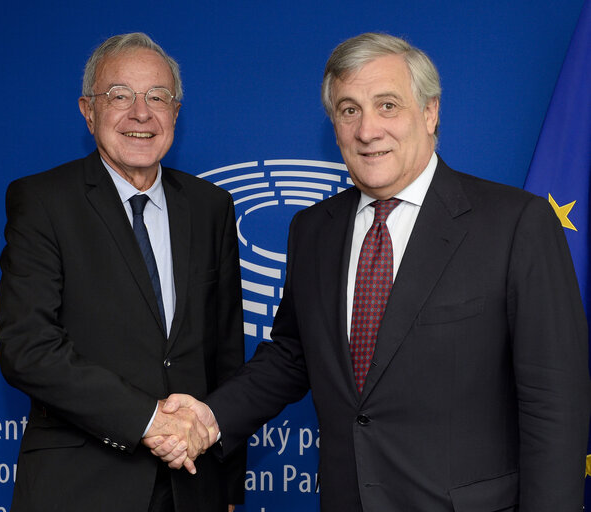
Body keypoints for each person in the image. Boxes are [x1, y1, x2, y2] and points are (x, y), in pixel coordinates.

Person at [147, 32, 590, 511]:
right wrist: (210, 414)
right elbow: (295, 354)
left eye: (387, 105)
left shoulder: (513, 223)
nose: (367, 130)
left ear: (430, 111)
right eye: (349, 109)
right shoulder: (313, 230)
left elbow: (554, 404)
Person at [0, 32, 245, 512]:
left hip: (194, 486)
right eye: (120, 96)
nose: (140, 113)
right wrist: (150, 420)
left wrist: (228, 486)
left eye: (157, 97)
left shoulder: (210, 206)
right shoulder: (44, 201)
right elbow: (27, 347)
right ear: (88, 111)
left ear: (175, 113)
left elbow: (224, 354)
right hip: (80, 487)